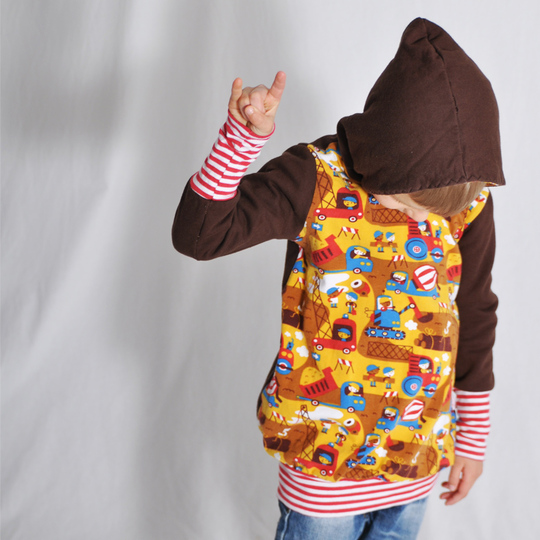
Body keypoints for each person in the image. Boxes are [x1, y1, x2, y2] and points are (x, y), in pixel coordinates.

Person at [172, 18, 504, 540]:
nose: (422, 221)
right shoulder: (316, 180)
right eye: (409, 203)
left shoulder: (467, 198)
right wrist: (240, 142)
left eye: (435, 213)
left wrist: (472, 438)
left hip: (415, 459)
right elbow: (200, 237)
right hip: (322, 469)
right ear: (387, 156)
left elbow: (476, 307)